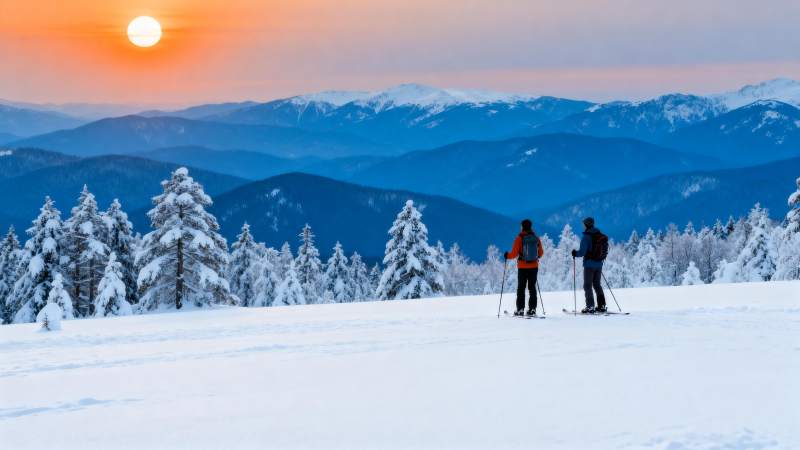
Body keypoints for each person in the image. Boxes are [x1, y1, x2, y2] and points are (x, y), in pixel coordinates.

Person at [504, 219, 544, 316]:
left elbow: (513, 254)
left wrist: (507, 255)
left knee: (521, 288)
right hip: (534, 266)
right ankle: (532, 309)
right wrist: (535, 258)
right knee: (532, 288)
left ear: (522, 226)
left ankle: (520, 309)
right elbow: (541, 253)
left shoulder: (519, 238)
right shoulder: (536, 238)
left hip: (522, 267)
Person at [572, 217, 608, 314]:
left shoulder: (586, 237)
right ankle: (602, 306)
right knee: (597, 285)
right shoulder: (599, 235)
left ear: (586, 225)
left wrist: (575, 253)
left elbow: (582, 252)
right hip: (599, 263)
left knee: (587, 285)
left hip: (589, 265)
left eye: (584, 224)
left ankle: (590, 307)